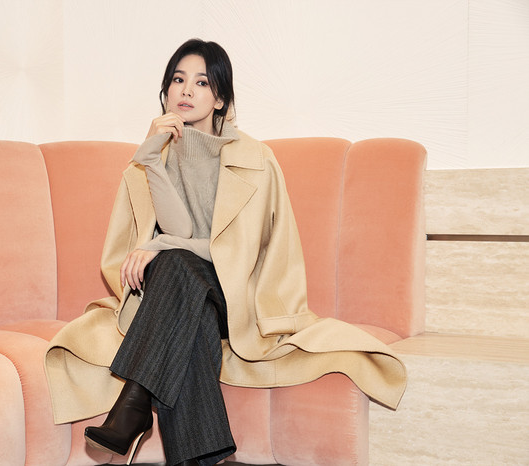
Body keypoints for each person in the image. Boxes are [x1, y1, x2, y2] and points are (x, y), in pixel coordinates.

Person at [45, 39, 407, 466]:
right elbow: (181, 230)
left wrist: (158, 244)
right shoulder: (155, 157)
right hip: (183, 298)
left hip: (237, 295)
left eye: (201, 82)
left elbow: (234, 252)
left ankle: (134, 401)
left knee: (173, 261)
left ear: (220, 98)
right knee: (186, 297)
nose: (186, 90)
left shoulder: (255, 159)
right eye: (177, 79)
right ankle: (205, 457)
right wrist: (153, 162)